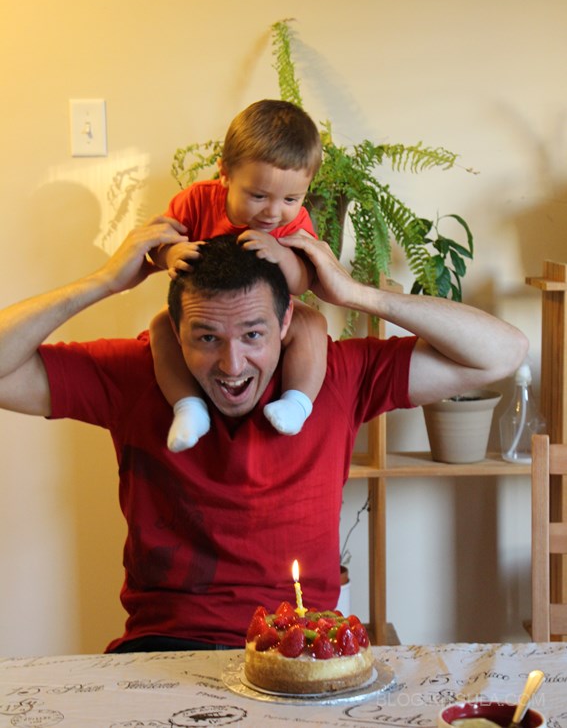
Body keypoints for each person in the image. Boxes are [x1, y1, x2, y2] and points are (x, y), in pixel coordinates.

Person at [0, 219, 528, 653]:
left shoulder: (338, 375)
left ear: (286, 322)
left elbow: (502, 353)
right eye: (207, 337)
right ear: (174, 331)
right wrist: (103, 282)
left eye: (253, 334)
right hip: (166, 646)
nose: (232, 365)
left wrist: (355, 293)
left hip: (301, 645)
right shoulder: (136, 373)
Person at [149, 99, 327, 452]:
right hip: (208, 316)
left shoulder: (295, 224)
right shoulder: (196, 201)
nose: (274, 212)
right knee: (161, 327)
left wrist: (282, 255)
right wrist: (170, 253)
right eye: (258, 195)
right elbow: (154, 246)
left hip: (270, 320)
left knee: (312, 325)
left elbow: (304, 281)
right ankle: (188, 408)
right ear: (225, 173)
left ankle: (297, 403)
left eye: (291, 199)